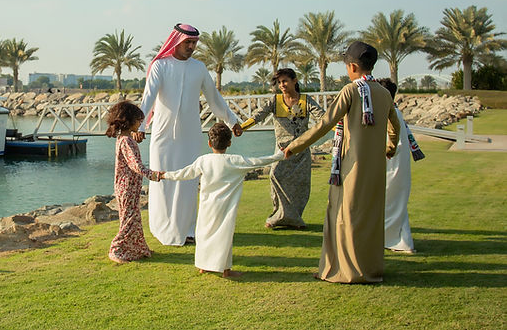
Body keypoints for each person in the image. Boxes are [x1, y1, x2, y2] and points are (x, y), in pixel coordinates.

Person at [284, 41, 400, 283]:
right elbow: (394, 126)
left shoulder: (350, 91)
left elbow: (325, 123)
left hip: (351, 166)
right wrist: (389, 148)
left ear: (353, 66)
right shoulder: (383, 93)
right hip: (375, 167)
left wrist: (296, 145)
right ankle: (370, 268)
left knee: (344, 215)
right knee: (369, 215)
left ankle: (342, 270)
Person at [138, 23, 242, 246]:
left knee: (188, 182)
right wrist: (140, 127)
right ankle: (163, 229)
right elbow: (148, 98)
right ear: (177, 41)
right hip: (163, 137)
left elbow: (215, 100)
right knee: (163, 181)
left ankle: (187, 230)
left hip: (190, 136)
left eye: (194, 43)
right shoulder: (160, 66)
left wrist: (232, 122)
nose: (192, 47)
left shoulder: (199, 68)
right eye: (188, 42)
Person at [164, 123, 284, 278]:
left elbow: (184, 173)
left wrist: (164, 175)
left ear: (209, 143)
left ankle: (203, 266)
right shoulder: (235, 160)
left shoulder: (203, 160)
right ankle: (226, 270)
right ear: (229, 143)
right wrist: (279, 156)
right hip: (225, 206)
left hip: (207, 206)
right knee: (224, 235)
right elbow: (258, 161)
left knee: (204, 234)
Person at [239, 68, 325, 229]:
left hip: (301, 151)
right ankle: (277, 216)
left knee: (301, 185)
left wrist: (340, 129)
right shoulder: (275, 100)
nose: (282, 85)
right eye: (279, 82)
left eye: (285, 81)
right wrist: (242, 128)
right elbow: (259, 115)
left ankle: (295, 219)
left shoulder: (306, 100)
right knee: (275, 176)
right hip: (281, 152)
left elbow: (323, 118)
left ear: (295, 81)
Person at [106, 100, 165, 263]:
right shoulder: (126, 141)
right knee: (129, 219)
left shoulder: (125, 138)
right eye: (139, 120)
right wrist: (155, 175)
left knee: (134, 217)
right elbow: (135, 165)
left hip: (129, 186)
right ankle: (116, 249)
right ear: (129, 120)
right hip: (127, 187)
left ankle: (138, 248)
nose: (141, 123)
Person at [378, 78, 422, 254]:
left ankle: (395, 239)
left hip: (390, 164)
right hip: (398, 164)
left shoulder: (388, 115)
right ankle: (396, 238)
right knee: (395, 204)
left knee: (388, 202)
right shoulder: (396, 113)